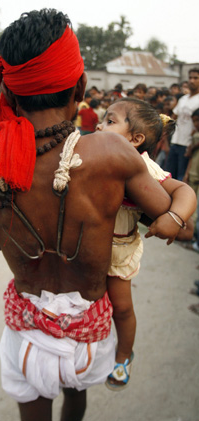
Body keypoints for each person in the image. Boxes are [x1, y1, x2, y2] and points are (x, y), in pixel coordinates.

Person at [0, 10, 191, 421]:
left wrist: (18, 232)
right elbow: (175, 215)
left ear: (10, 89)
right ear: (81, 86)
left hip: (26, 331)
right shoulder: (111, 153)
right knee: (76, 402)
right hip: (90, 334)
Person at [97, 98, 196, 390]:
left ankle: (124, 355)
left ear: (135, 139)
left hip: (117, 250)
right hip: (86, 249)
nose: (100, 126)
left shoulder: (141, 165)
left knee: (122, 308)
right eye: (103, 120)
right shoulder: (90, 155)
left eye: (110, 121)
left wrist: (175, 218)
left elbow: (183, 190)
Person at [166, 68, 199, 180]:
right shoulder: (183, 99)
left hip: (188, 144)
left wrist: (192, 146)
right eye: (190, 78)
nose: (192, 81)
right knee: (168, 175)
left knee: (181, 178)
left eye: (195, 78)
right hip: (175, 141)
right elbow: (173, 117)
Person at [183, 108, 199, 252]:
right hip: (194, 172)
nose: (196, 124)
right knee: (192, 206)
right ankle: (190, 234)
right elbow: (191, 157)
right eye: (194, 121)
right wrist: (187, 174)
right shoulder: (195, 136)